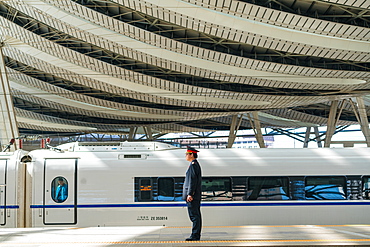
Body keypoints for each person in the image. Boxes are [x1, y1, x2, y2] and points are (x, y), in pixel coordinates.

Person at [182, 146, 202, 241]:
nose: (185, 156)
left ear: (192, 155)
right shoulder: (193, 165)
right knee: (195, 215)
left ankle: (195, 235)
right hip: (193, 195)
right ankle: (195, 234)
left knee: (194, 216)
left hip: (192, 196)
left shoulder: (194, 165)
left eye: (187, 154)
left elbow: (192, 181)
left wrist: (190, 194)